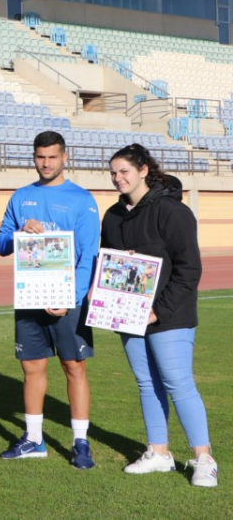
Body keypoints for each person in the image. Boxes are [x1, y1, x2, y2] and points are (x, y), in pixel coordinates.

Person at [103, 144, 216, 487]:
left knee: (178, 384)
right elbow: (108, 264)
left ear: (142, 171)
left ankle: (204, 459)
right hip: (130, 316)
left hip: (170, 316)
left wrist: (159, 311)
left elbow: (189, 270)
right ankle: (159, 452)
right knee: (146, 384)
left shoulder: (173, 212)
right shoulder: (112, 215)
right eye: (112, 172)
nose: (117, 178)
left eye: (123, 171)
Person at [0, 131, 100, 468]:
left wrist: (72, 297)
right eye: (40, 157)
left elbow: (89, 256)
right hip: (31, 297)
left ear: (64, 157)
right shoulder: (21, 196)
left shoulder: (82, 199)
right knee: (32, 367)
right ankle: (34, 439)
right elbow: (0, 245)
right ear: (34, 157)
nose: (46, 163)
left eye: (52, 157)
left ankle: (80, 442)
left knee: (74, 367)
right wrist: (19, 233)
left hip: (68, 300)